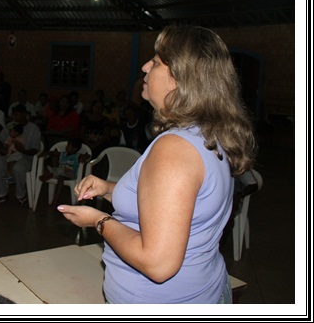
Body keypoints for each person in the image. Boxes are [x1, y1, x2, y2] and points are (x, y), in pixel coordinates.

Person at [58, 25, 257, 303]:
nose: (144, 67)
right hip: (200, 290)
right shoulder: (207, 134)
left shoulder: (173, 150)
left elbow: (158, 264)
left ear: (177, 78)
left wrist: (99, 220)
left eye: (156, 62)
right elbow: (174, 205)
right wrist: (108, 189)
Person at [0, 104, 41, 207]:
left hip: (26, 157)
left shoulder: (33, 129)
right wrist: (2, 147)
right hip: (9, 155)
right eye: (13, 115)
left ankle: (21, 195)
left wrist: (23, 150)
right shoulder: (10, 126)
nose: (14, 117)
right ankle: (2, 194)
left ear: (24, 115)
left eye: (16, 115)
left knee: (18, 168)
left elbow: (35, 149)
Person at [38, 138, 90, 207]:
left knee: (60, 170)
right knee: (52, 170)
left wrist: (84, 158)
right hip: (60, 174)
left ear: (74, 149)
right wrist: (47, 153)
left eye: (68, 146)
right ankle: (55, 200)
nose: (66, 147)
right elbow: (53, 153)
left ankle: (48, 176)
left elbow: (88, 156)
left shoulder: (77, 156)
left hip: (70, 174)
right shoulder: (63, 154)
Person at [219, 169, 259, 248]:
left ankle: (218, 248)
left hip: (231, 202)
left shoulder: (236, 162)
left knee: (227, 219)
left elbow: (253, 185)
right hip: (215, 201)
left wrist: (240, 195)